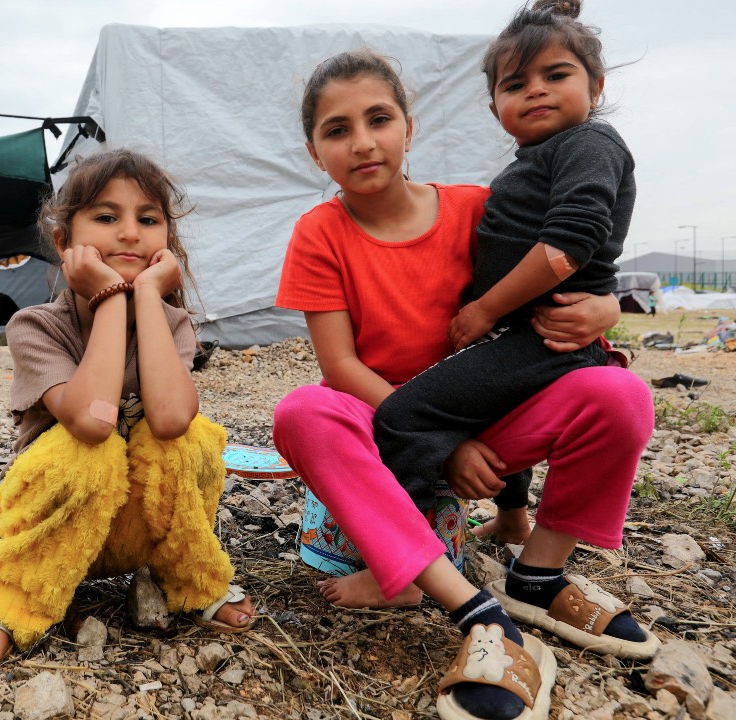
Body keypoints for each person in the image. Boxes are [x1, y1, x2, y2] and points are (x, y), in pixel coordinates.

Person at [273, 41, 656, 720]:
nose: (363, 143)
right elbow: (342, 368)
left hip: (491, 420)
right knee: (305, 411)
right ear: (314, 151)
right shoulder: (319, 234)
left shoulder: (475, 208)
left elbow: (564, 272)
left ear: (409, 128)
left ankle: (539, 574)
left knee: (620, 394)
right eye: (338, 130)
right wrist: (445, 444)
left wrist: (608, 309)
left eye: (379, 119)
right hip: (387, 428)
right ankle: (455, 600)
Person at [0, 149, 256, 669]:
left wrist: (150, 302)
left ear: (167, 242)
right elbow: (91, 422)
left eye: (148, 219)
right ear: (65, 242)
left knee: (195, 438)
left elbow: (171, 420)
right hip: (59, 529)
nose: (130, 233)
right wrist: (113, 297)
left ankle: (185, 577)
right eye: (107, 217)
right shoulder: (36, 326)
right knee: (92, 453)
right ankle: (11, 599)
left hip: (141, 528)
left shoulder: (172, 323)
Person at [373, 0, 634, 532]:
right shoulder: (540, 157)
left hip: (542, 332)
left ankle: (402, 559)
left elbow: (570, 245)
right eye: (514, 85)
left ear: (596, 87)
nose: (535, 89)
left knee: (403, 416)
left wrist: (484, 310)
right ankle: (513, 520)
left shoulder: (589, 143)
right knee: (493, 411)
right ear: (495, 109)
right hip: (529, 330)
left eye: (556, 75)